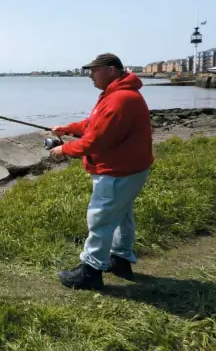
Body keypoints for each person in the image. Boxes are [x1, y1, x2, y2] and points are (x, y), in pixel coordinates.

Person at [49, 53, 153, 290]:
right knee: (121, 217)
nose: (90, 75)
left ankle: (91, 272)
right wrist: (67, 128)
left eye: (94, 70)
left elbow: (96, 141)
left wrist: (64, 150)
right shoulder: (115, 95)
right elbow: (91, 124)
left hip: (118, 171)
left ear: (112, 70)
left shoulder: (120, 99)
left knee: (101, 218)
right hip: (130, 169)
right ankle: (120, 260)